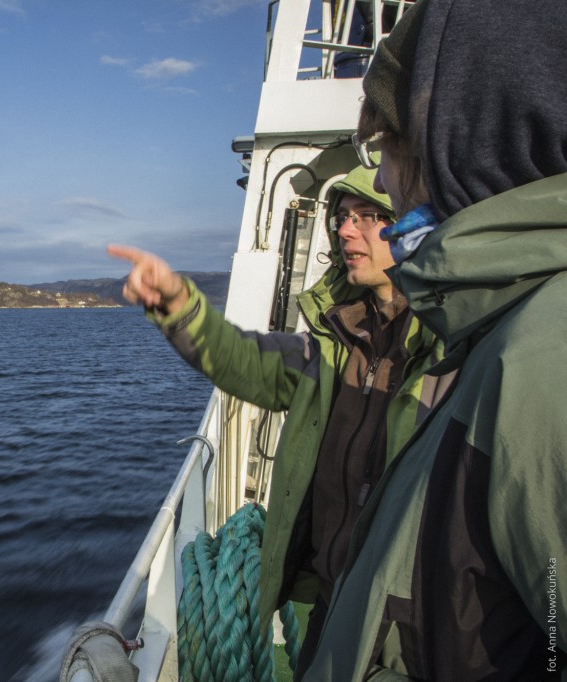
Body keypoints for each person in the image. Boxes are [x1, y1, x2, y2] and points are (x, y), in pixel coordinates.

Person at [303, 0, 567, 679]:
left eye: (386, 147)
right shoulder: (489, 331)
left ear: (464, 141)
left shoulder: (543, 364)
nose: (385, 178)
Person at [108, 164, 448, 677]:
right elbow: (247, 362)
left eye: (369, 216)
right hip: (327, 597)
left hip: (406, 634)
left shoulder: (454, 349)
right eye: (343, 217)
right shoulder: (336, 343)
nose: (346, 229)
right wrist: (179, 305)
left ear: (415, 225)